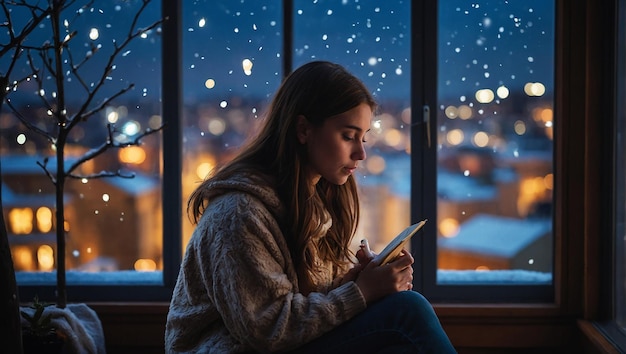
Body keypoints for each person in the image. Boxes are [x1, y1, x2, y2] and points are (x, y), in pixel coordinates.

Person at [165, 61, 456, 354]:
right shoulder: (238, 215)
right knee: (407, 311)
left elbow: (302, 301)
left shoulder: (316, 200)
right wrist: (362, 292)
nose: (361, 153)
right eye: (348, 136)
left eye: (364, 137)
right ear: (303, 129)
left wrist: (357, 279)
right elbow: (267, 328)